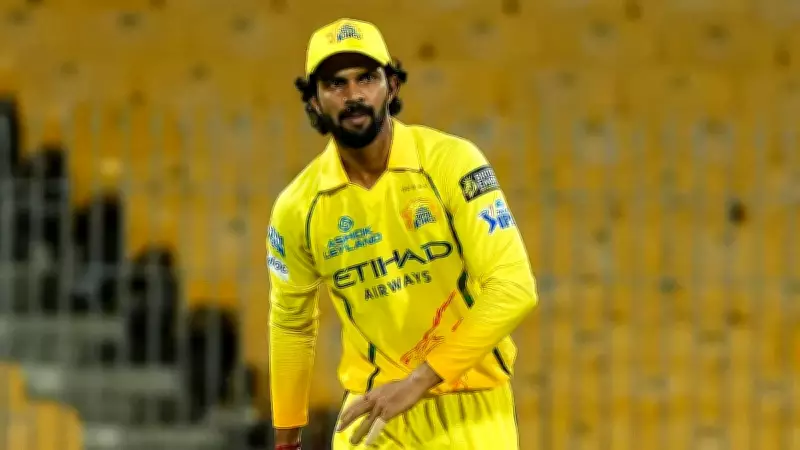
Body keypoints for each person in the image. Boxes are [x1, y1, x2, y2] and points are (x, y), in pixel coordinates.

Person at [267, 17, 538, 450]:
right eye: (335, 84)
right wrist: (286, 440)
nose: (353, 95)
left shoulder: (451, 162)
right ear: (314, 101)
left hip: (471, 405)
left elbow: (514, 288)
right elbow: (291, 325)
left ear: (391, 86)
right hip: (370, 414)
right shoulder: (298, 207)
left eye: (366, 79)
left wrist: (417, 382)